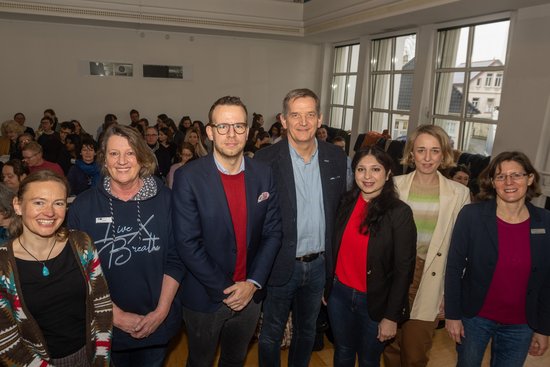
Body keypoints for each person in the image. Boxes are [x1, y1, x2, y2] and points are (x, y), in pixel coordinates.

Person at [172, 96, 282, 366]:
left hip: (250, 295)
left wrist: (252, 283)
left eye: (239, 126)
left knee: (235, 359)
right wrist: (228, 289)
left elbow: (273, 232)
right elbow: (187, 242)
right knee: (200, 361)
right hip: (205, 296)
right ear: (209, 132)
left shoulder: (263, 173)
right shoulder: (189, 177)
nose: (231, 134)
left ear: (248, 131)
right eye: (223, 127)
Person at [68, 125, 184, 367]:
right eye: (113, 154)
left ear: (142, 157)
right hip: (104, 324)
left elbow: (176, 258)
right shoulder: (83, 206)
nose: (122, 161)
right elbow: (77, 270)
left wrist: (160, 313)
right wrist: (116, 315)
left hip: (156, 322)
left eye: (130, 153)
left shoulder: (167, 200)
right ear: (104, 159)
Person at [255, 88, 347, 367]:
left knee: (307, 332)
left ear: (320, 119)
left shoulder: (337, 158)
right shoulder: (265, 160)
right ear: (283, 120)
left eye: (310, 115)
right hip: (281, 263)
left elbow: (341, 212)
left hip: (319, 265)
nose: (303, 122)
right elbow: (257, 220)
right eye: (295, 115)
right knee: (271, 333)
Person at [445, 151, 550, 366]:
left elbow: (547, 280)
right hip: (474, 319)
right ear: (492, 182)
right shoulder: (471, 216)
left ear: (530, 179)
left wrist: (543, 328)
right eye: (501, 176)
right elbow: (454, 268)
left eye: (517, 175)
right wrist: (452, 315)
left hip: (521, 324)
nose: (509, 182)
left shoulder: (546, 221)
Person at [0, 170, 112, 366]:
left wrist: (101, 359)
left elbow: (101, 306)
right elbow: (6, 340)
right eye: (39, 202)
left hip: (91, 355)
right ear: (18, 206)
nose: (50, 212)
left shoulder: (82, 244)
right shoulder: (2, 265)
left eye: (58, 203)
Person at [383, 124, 470, 367]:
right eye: (421, 150)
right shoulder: (393, 186)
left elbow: (460, 250)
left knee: (415, 353)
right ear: (411, 153)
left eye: (435, 151)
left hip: (431, 279)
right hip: (395, 277)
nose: (428, 157)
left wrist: (449, 294)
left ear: (444, 154)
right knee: (390, 349)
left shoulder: (459, 193)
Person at [327, 146, 417, 367]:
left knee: (369, 359)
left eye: (375, 169)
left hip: (375, 303)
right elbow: (332, 248)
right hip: (339, 295)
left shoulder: (399, 213)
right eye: (361, 169)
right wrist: (327, 287)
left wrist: (391, 316)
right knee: (343, 352)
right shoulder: (344, 203)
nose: (367, 177)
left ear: (387, 174)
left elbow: (404, 269)